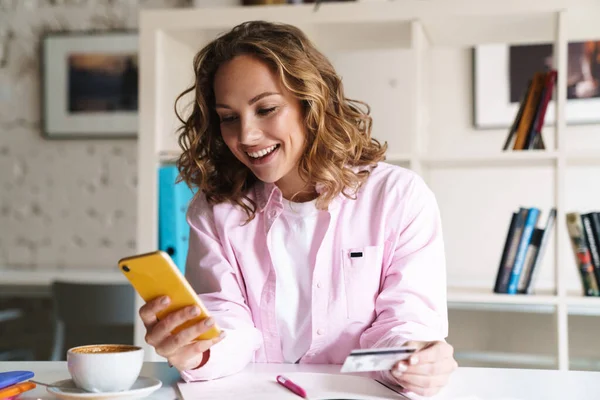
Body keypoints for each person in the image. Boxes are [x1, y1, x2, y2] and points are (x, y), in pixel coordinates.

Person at [139, 20, 457, 397]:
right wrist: (197, 352)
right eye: (228, 117)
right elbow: (226, 320)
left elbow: (406, 319)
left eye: (266, 109)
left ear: (311, 103)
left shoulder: (398, 197)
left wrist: (415, 356)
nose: (246, 136)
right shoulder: (215, 209)